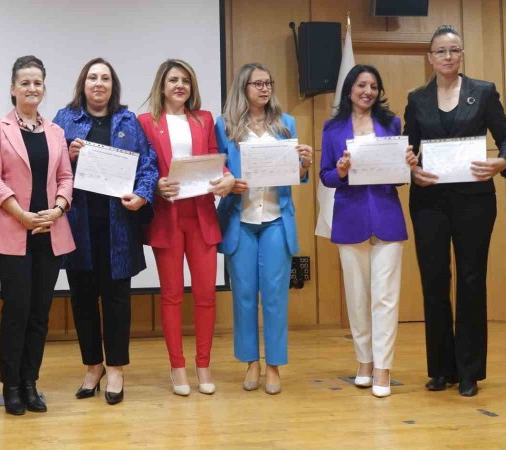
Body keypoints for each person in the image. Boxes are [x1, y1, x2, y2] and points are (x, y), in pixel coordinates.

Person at [406, 25, 506, 397]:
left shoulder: (483, 92)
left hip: (474, 201)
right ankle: (441, 369)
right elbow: (409, 148)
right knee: (434, 282)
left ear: (462, 54)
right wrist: (411, 167)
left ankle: (469, 371)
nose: (448, 57)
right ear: (430, 58)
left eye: (454, 50)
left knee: (471, 281)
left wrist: (501, 162)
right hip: (429, 201)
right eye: (440, 51)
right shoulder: (416, 98)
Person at [53, 58, 158, 405]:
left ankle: (115, 368)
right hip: (78, 226)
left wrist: (142, 195)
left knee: (116, 302)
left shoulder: (128, 120)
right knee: (82, 301)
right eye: (93, 77)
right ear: (83, 83)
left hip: (118, 229)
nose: (99, 83)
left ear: (113, 86)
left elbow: (149, 165)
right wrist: (66, 156)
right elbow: (48, 169)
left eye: (105, 78)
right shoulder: (64, 119)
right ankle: (92, 366)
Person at [0, 55, 75, 415]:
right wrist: (22, 215)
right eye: (25, 82)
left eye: (37, 82)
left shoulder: (56, 132)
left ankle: (31, 383)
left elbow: (66, 177)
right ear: (12, 89)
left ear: (43, 88)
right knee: (16, 310)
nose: (32, 88)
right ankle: (11, 386)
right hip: (12, 232)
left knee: (40, 313)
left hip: (50, 231)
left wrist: (58, 208)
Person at [319, 65, 418, 398]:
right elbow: (326, 177)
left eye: (374, 86)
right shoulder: (332, 128)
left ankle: (383, 368)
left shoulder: (392, 124)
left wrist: (407, 163)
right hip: (350, 218)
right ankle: (364, 361)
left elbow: (400, 176)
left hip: (387, 215)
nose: (368, 91)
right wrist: (341, 170)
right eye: (361, 85)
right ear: (349, 89)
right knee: (358, 297)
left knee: (386, 298)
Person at [138, 59, 234, 396]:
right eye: (173, 80)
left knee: (206, 295)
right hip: (168, 217)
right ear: (162, 86)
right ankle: (177, 367)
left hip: (201, 215)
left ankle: (203, 365)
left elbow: (214, 158)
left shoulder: (204, 119)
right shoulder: (146, 122)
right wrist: (156, 186)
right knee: (172, 296)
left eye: (186, 81)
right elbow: (143, 168)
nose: (180, 86)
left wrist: (225, 178)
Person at [215, 63, 312, 395]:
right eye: (257, 84)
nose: (264, 88)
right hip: (239, 220)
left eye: (268, 83)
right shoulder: (224, 126)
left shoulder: (286, 124)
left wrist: (304, 164)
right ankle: (251, 363)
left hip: (275, 219)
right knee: (243, 296)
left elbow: (296, 175)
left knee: (274, 296)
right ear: (243, 88)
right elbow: (217, 170)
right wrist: (228, 182)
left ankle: (273, 366)